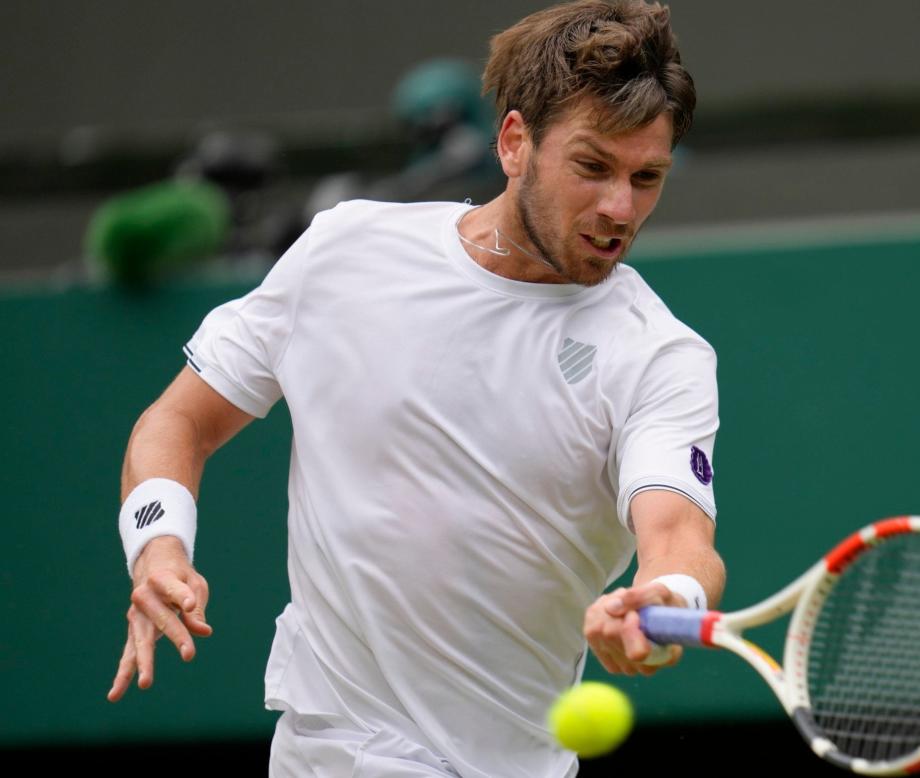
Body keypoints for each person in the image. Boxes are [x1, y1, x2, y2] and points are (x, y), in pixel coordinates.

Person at [106, 2, 724, 775]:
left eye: (647, 178)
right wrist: (158, 548)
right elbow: (178, 422)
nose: (619, 208)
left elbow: (679, 540)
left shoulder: (659, 355)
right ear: (513, 142)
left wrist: (665, 600)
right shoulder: (346, 251)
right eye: (592, 167)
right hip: (336, 748)